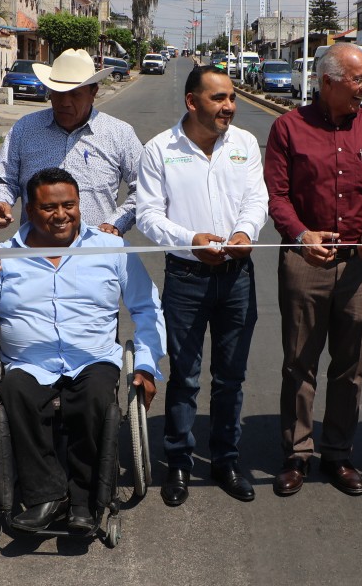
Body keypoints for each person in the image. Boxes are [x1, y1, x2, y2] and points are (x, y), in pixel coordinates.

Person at [0, 168, 165, 533]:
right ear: (30, 211)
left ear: (80, 205)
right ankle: (46, 495)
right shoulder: (2, 257)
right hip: (28, 361)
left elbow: (147, 307)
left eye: (69, 205)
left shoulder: (111, 249)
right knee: (16, 391)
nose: (61, 215)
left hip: (93, 357)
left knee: (96, 397)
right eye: (49, 207)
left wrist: (146, 366)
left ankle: (84, 501)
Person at [263, 42, 362, 497]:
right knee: (299, 363)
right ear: (327, 82)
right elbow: (277, 197)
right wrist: (302, 236)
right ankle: (297, 453)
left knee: (350, 366)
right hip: (305, 261)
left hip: (360, 266)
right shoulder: (288, 127)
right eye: (359, 80)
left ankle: (339, 453)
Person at [136, 66, 268, 506]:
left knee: (230, 378)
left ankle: (227, 460)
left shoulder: (245, 144)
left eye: (231, 97)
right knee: (186, 378)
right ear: (192, 102)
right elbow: (148, 215)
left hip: (236, 278)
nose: (229, 106)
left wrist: (246, 233)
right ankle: (178, 463)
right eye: (218, 98)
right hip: (186, 279)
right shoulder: (159, 150)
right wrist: (190, 242)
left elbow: (256, 198)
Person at [0, 48, 142, 236]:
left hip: (96, 252)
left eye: (75, 94)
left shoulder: (119, 133)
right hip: (36, 253)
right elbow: (3, 180)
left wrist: (117, 222)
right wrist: (0, 201)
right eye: (58, 93)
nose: (64, 102)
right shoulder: (25, 129)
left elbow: (146, 189)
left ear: (93, 92)